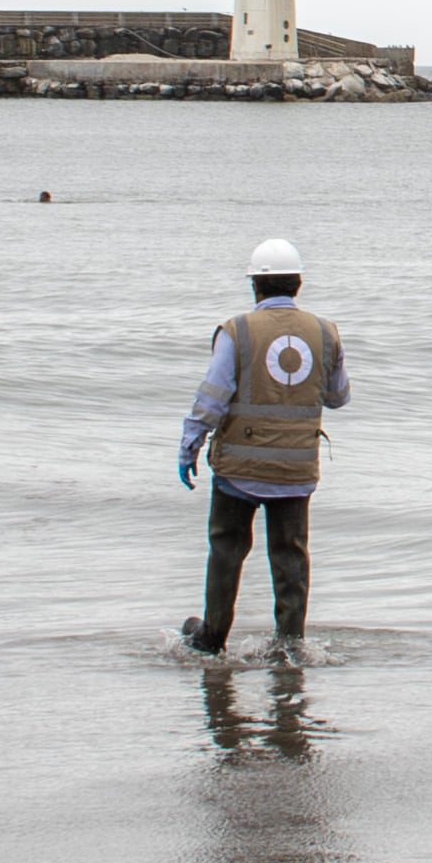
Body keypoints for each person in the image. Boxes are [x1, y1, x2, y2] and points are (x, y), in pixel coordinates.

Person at [179, 234, 349, 653]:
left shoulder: (236, 331)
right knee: (291, 557)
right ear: (299, 283)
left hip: (239, 469)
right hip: (296, 470)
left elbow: (211, 400)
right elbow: (339, 396)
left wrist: (189, 446)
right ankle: (290, 645)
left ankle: (212, 637)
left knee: (226, 550)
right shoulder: (325, 333)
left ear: (255, 285)